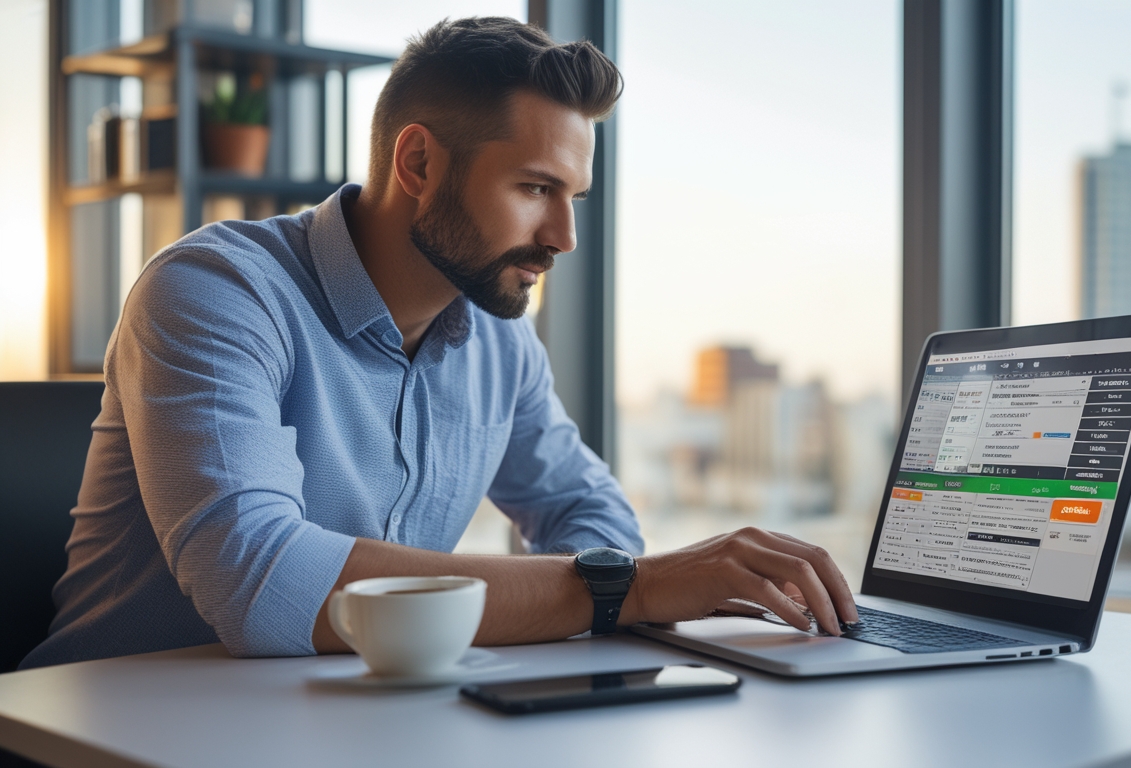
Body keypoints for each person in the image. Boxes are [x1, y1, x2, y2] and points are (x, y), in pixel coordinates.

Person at [21, 17, 856, 670]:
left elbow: (588, 514)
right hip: (109, 730)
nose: (564, 237)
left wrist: (611, 586)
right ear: (417, 162)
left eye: (574, 197)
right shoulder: (217, 291)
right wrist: (627, 588)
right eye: (535, 188)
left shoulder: (501, 343)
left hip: (348, 720)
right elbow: (262, 585)